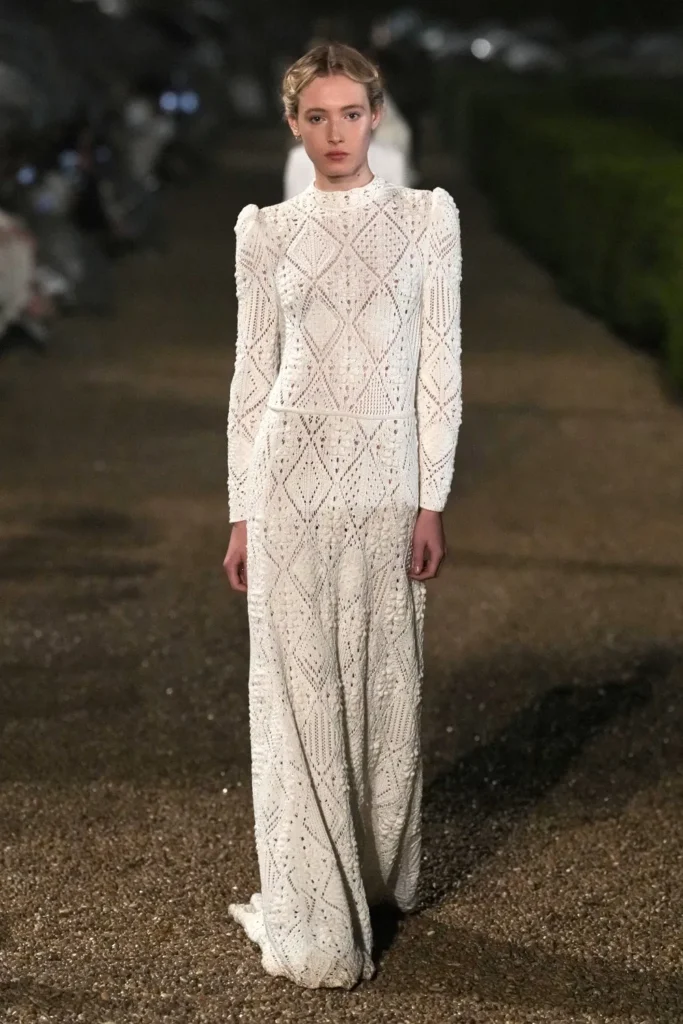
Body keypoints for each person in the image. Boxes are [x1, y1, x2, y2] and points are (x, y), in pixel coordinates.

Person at [223, 41, 462, 990]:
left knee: (382, 685)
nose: (334, 133)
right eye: (316, 117)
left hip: (384, 491)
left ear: (376, 117)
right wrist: (241, 512)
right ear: (293, 124)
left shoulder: (426, 220)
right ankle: (313, 906)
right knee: (295, 696)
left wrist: (431, 498)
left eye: (349, 114)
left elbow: (439, 367)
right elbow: (252, 375)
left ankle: (370, 875)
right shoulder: (265, 233)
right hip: (285, 484)